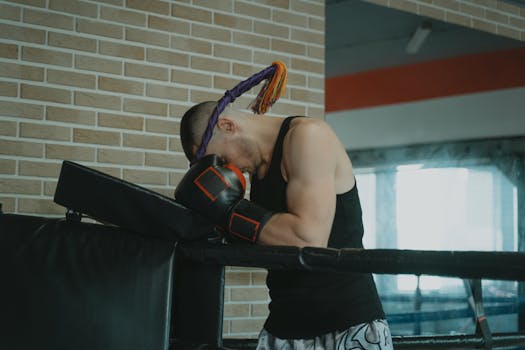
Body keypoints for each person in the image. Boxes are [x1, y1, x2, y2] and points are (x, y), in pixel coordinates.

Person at [175, 63, 393, 349]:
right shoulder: (258, 173)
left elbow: (309, 239)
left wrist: (230, 211)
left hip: (346, 325)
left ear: (227, 126)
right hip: (284, 328)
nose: (218, 171)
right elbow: (267, 241)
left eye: (213, 159)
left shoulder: (308, 137)